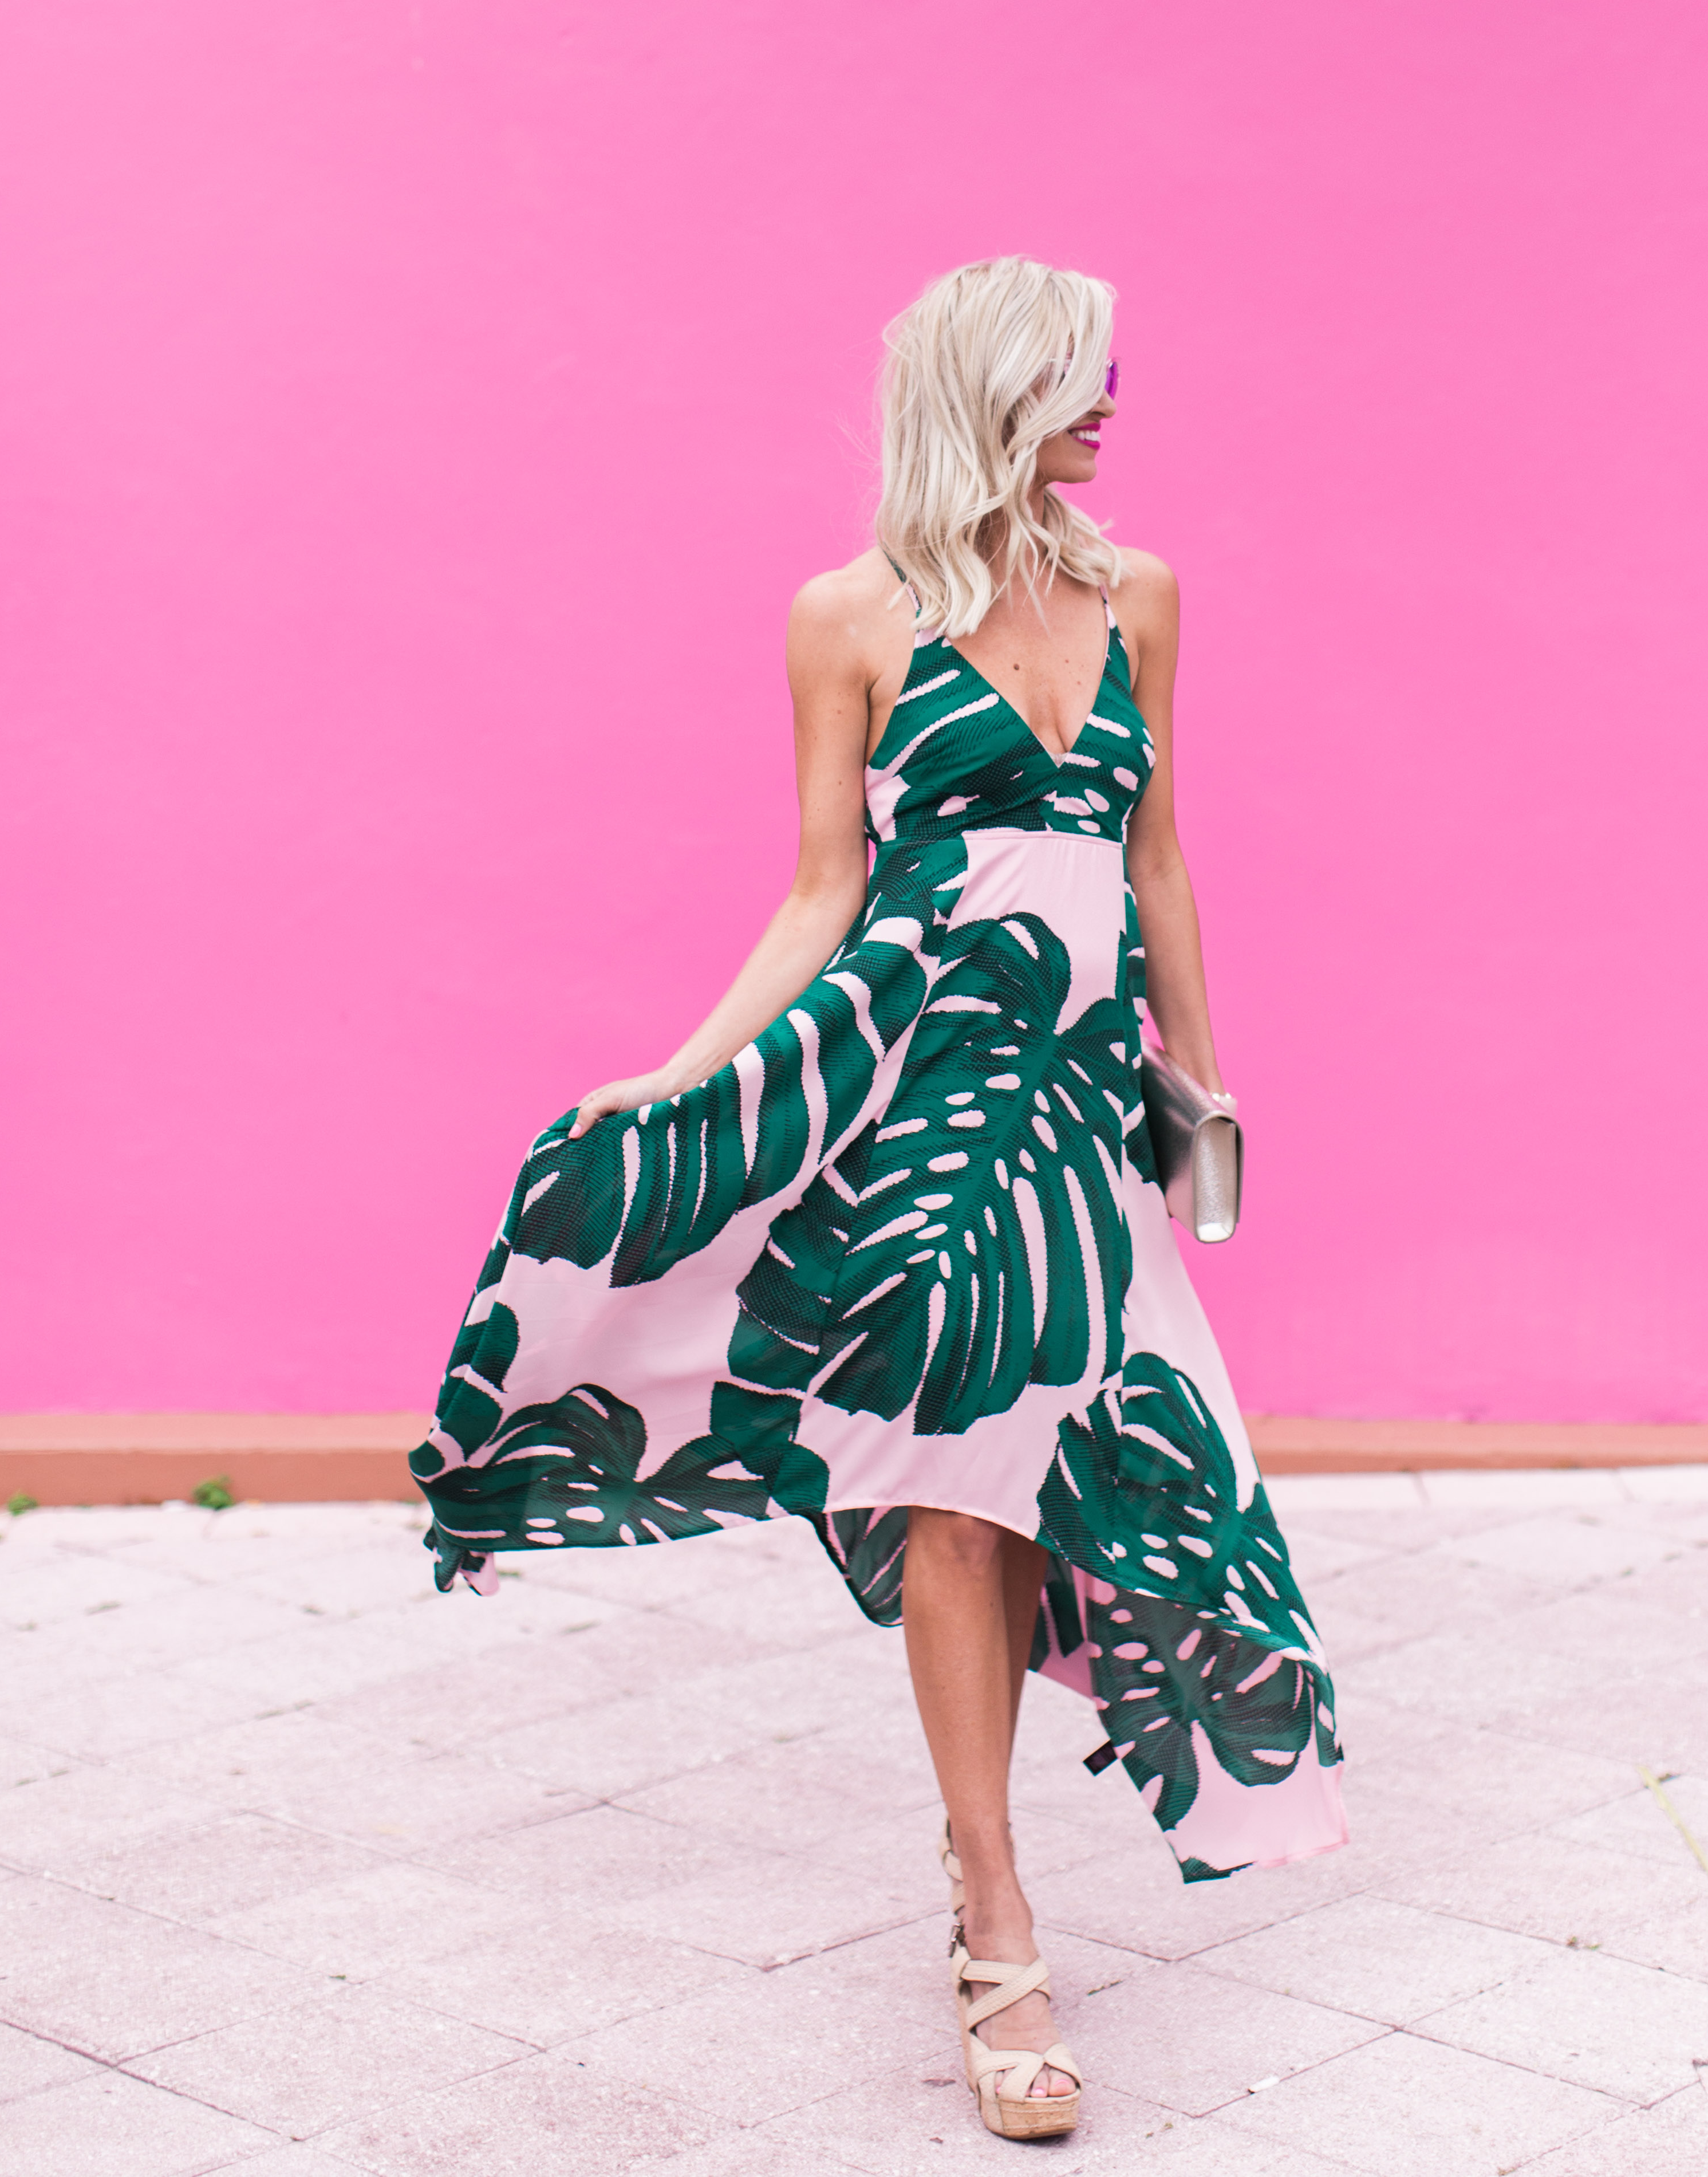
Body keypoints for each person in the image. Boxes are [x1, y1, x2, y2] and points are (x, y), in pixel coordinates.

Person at [412, 257, 1346, 2140]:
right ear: (995, 390)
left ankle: (990, 1861)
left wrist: (1204, 1085)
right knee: (945, 1493)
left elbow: (1154, 855)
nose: (1111, 408)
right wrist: (683, 1076)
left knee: (1051, 1482)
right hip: (914, 1105)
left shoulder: (1136, 593)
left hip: (1082, 1121)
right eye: (1083, 379)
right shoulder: (846, 617)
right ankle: (997, 1921)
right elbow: (820, 890)